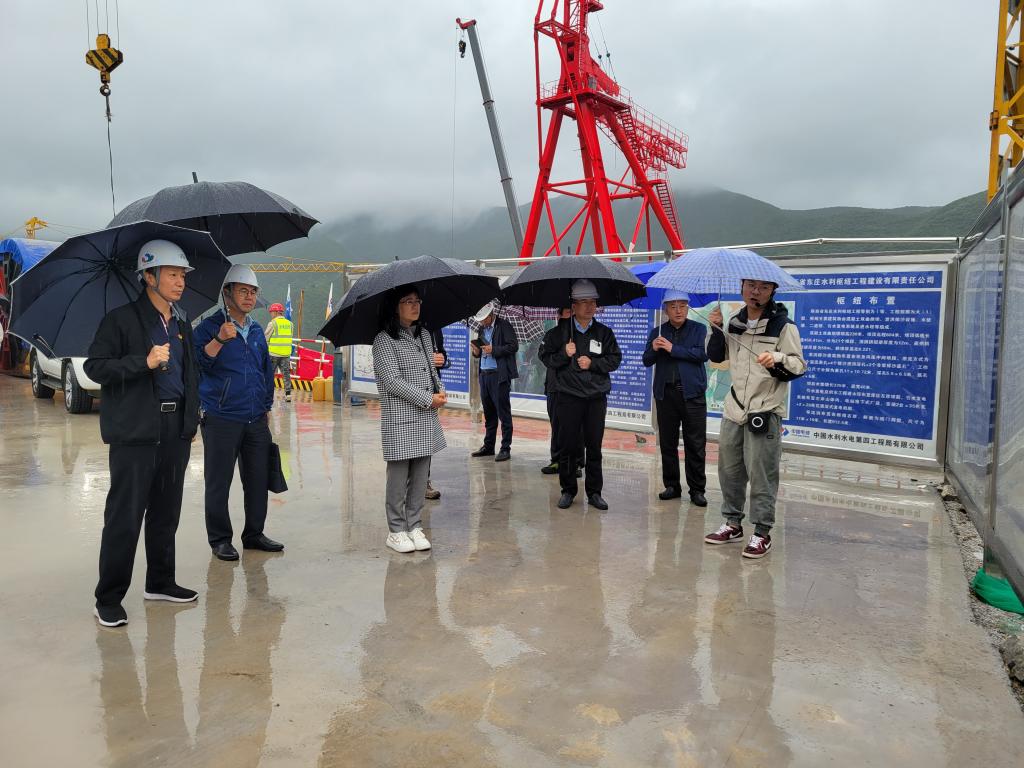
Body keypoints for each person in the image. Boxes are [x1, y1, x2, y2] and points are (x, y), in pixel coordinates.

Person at [85, 240, 201, 627]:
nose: (180, 282)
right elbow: (96, 368)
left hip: (174, 429)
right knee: (126, 515)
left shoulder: (181, 323)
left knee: (167, 512)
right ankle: (108, 598)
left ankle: (160, 582)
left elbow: (190, 374)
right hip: (135, 432)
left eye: (183, 275)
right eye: (172, 274)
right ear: (148, 277)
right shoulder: (120, 320)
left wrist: (190, 421)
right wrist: (143, 362)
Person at [703, 278, 806, 559]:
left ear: (772, 291)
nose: (755, 292)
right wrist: (715, 328)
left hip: (765, 410)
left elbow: (798, 366)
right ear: (742, 287)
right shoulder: (735, 322)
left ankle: (762, 532)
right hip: (734, 409)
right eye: (750, 286)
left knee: (762, 474)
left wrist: (778, 359)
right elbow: (717, 357)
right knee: (730, 471)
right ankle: (732, 523)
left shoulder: (783, 325)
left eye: (763, 287)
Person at [194, 265, 285, 562]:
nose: (249, 297)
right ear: (227, 293)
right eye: (243, 291)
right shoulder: (208, 328)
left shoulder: (257, 330)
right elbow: (197, 366)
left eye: (253, 292)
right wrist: (219, 339)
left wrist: (267, 406)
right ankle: (220, 539)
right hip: (221, 417)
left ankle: (254, 534)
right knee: (218, 482)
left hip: (255, 417)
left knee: (258, 479)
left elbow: (265, 371)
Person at [372, 286, 447, 553]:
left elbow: (430, 371)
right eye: (408, 301)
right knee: (398, 477)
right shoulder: (384, 340)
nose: (415, 306)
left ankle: (414, 525)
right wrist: (427, 398)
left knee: (420, 476)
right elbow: (392, 381)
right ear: (395, 306)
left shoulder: (424, 334)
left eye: (417, 301)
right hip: (401, 418)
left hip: (425, 416)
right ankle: (396, 530)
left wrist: (439, 389)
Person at [538, 279, 621, 511]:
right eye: (583, 302)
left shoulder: (604, 333)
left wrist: (593, 363)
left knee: (594, 446)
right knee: (567, 446)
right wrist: (564, 354)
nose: (589, 306)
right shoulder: (558, 333)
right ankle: (568, 490)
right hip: (568, 397)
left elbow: (615, 359)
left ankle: (594, 492)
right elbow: (545, 357)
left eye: (592, 302)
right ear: (573, 306)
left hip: (595, 398)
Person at [642, 290, 709, 507]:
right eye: (673, 306)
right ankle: (672, 485)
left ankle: (697, 490)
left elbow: (701, 354)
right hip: (666, 394)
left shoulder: (699, 329)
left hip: (692, 395)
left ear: (688, 307)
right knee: (668, 443)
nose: (678, 310)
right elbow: (646, 360)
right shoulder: (658, 332)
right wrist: (654, 349)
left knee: (695, 444)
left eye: (682, 306)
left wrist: (673, 348)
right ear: (665, 310)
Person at [469, 302, 519, 462]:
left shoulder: (504, 326)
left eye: (485, 319)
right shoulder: (482, 329)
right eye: (480, 320)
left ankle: (505, 448)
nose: (483, 322)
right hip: (484, 374)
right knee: (489, 413)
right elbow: (481, 352)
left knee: (503, 413)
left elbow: (514, 346)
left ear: (491, 315)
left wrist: (494, 349)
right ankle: (488, 446)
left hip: (499, 375)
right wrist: (476, 352)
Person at [539, 307, 582, 477]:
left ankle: (576, 463)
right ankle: (557, 460)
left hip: (577, 389)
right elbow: (545, 357)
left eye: (574, 311)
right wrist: (564, 353)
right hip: (555, 387)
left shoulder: (583, 335)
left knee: (577, 427)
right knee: (557, 426)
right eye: (568, 312)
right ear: (559, 315)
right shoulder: (552, 335)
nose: (572, 314)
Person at [425, 328, 449, 500]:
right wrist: (429, 359)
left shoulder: (435, 329)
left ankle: (423, 481)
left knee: (427, 437)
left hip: (432, 389)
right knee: (413, 439)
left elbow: (441, 353)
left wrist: (442, 358)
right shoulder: (403, 328)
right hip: (414, 390)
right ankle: (409, 483)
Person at [264, 302, 293, 403]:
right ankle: (288, 395)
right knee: (286, 374)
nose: (271, 314)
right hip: (286, 354)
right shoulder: (290, 324)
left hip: (273, 354)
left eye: (271, 312)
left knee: (269, 374)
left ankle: (268, 395)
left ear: (276, 312)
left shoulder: (273, 323)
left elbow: (265, 338)